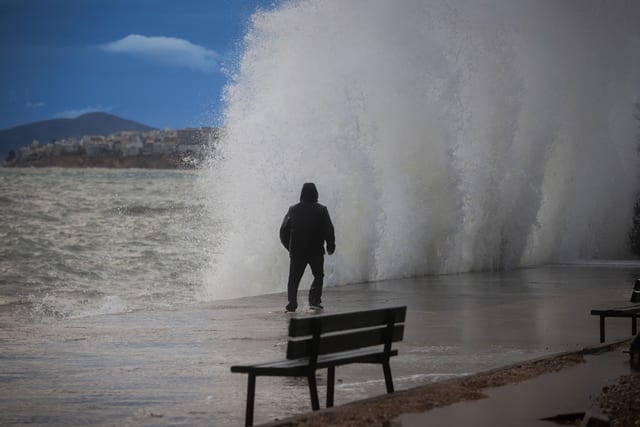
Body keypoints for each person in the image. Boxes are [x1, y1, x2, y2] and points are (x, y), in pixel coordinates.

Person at [279, 182, 335, 313]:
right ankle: (314, 301)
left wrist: (290, 247)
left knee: (293, 280)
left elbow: (283, 231)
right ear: (315, 193)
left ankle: (292, 304)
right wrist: (330, 246)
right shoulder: (321, 209)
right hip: (315, 251)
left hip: (297, 252)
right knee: (318, 276)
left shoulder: (293, 209)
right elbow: (329, 229)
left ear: (302, 194)